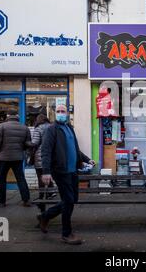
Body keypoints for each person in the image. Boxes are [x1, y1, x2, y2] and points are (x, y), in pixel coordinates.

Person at [37, 104, 96, 245]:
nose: (61, 113)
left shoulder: (69, 129)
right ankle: (66, 233)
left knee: (72, 200)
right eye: (58, 111)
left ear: (68, 113)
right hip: (60, 171)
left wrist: (87, 159)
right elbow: (45, 151)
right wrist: (46, 172)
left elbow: (75, 149)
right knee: (68, 201)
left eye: (63, 111)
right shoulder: (52, 130)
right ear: (54, 113)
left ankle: (45, 216)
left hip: (73, 171)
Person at [0, 109, 33, 207]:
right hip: (18, 157)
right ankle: (26, 200)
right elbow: (28, 143)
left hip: (4, 157)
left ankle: (1, 201)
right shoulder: (24, 128)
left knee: (1, 179)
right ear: (17, 116)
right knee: (20, 179)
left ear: (7, 115)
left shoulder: (0, 127)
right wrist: (21, 149)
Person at [30, 114, 54, 211]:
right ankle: (50, 192)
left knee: (40, 177)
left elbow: (35, 142)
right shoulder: (52, 127)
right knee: (47, 174)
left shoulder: (38, 128)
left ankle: (41, 196)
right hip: (51, 156)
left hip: (40, 156)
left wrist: (27, 143)